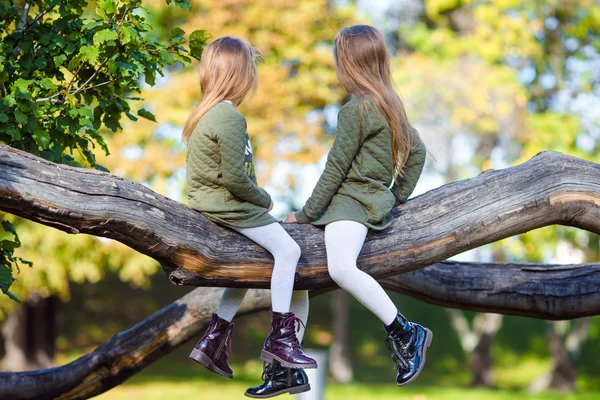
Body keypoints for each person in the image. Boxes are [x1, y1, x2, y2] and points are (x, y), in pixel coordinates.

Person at [285, 25, 431, 386]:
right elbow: (418, 153)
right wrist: (394, 196)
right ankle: (284, 366)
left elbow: (336, 168)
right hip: (357, 203)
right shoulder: (386, 103)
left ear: (348, 63)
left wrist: (305, 215)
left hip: (352, 205)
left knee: (341, 268)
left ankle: (405, 330)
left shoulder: (357, 109)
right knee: (297, 268)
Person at [183, 36, 314, 398]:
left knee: (249, 269)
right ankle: (282, 339)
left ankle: (214, 338)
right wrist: (265, 200)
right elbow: (236, 179)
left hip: (214, 204)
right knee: (290, 253)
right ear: (239, 75)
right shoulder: (229, 116)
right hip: (229, 207)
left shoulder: (206, 113)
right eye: (251, 71)